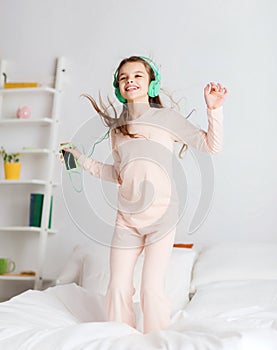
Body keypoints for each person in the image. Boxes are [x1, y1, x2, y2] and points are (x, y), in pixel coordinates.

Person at [61, 55, 227, 333]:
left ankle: (156, 340)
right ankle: (119, 338)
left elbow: (212, 146)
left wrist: (214, 110)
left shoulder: (166, 119)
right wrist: (79, 160)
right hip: (126, 220)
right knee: (116, 286)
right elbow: (117, 174)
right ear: (118, 87)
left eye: (137, 75)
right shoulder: (118, 130)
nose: (130, 81)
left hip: (162, 218)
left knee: (151, 288)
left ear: (151, 84)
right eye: (124, 77)